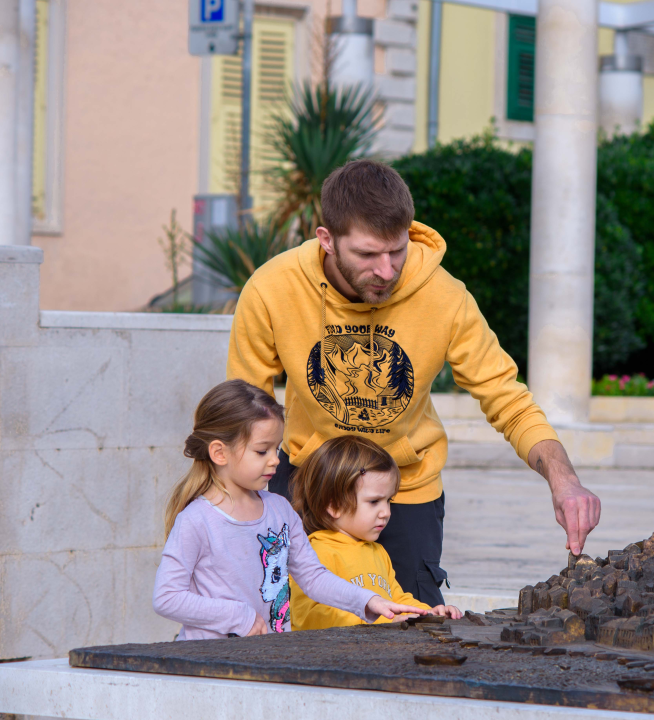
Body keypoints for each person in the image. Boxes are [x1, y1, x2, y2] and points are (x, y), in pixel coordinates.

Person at [227, 159, 601, 607]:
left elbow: (508, 400)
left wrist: (564, 480)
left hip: (405, 488)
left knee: (414, 626)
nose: (386, 271)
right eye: (367, 255)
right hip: (309, 483)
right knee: (286, 619)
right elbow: (247, 411)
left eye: (397, 251)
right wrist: (241, 507)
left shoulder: (445, 297)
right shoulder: (271, 289)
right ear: (326, 240)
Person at [152, 380, 427, 640]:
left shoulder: (280, 509)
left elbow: (313, 577)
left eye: (276, 448)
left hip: (268, 660)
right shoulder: (196, 520)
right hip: (209, 667)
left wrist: (368, 601)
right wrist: (239, 616)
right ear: (219, 453)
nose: (275, 460)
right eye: (262, 451)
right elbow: (167, 597)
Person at [289, 436, 462, 630]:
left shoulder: (377, 551)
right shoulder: (313, 553)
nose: (386, 513)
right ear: (334, 505)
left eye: (389, 501)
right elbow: (309, 616)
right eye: (374, 502)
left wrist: (427, 613)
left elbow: (397, 599)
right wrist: (380, 622)